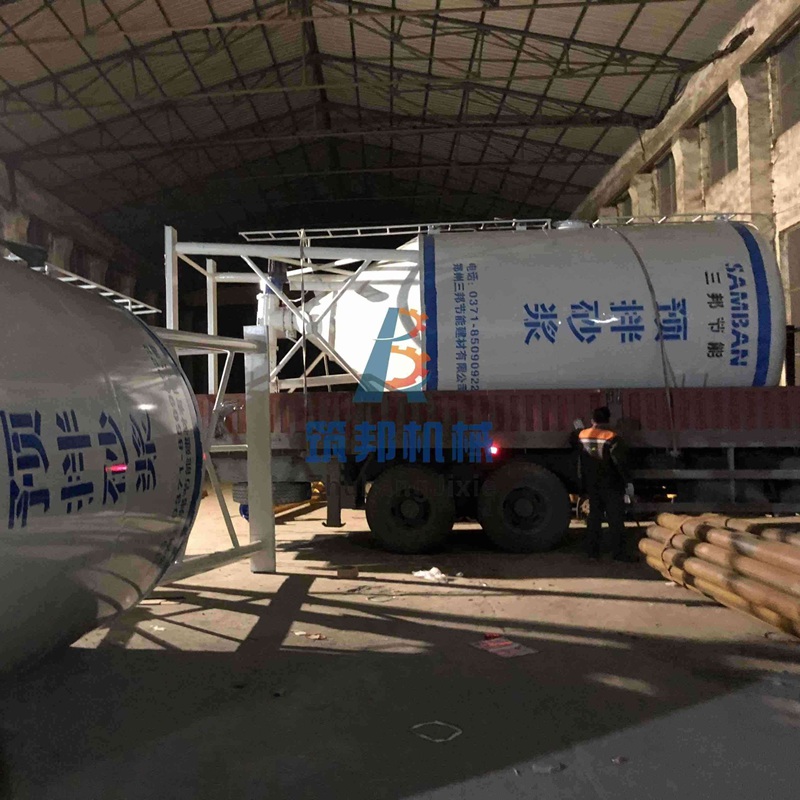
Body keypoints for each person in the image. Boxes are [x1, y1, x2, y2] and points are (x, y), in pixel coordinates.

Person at [575, 407, 637, 562]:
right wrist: (628, 481)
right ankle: (619, 554)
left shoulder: (582, 435)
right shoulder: (612, 437)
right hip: (611, 484)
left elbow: (575, 443)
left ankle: (592, 553)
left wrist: (579, 428)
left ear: (592, 420)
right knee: (615, 519)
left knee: (594, 518)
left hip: (591, 483)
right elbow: (619, 462)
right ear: (608, 420)